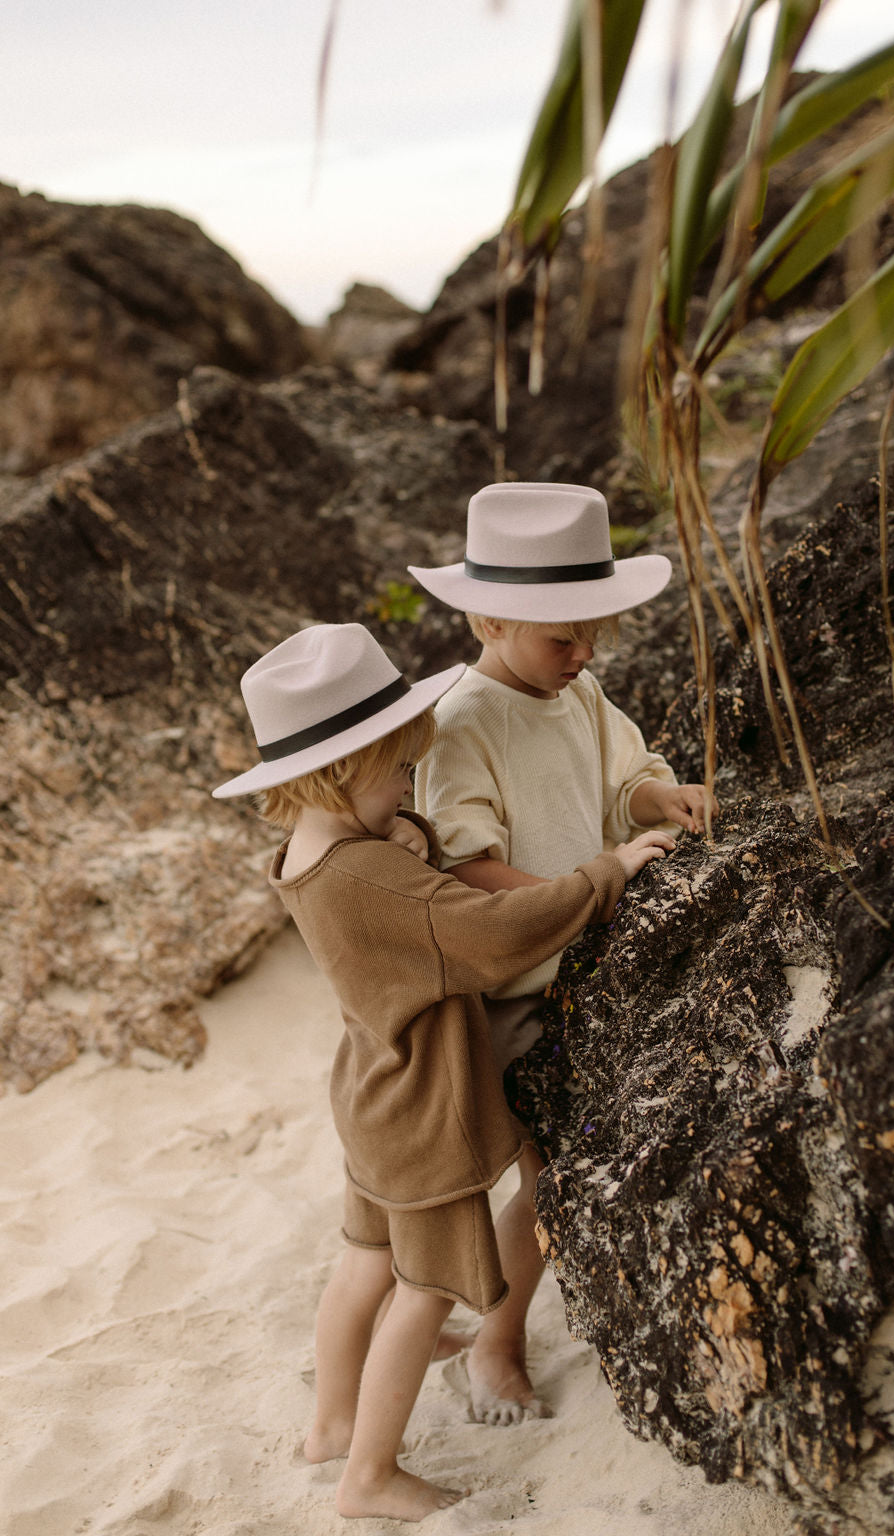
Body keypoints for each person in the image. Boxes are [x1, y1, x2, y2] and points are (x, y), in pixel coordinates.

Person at [211, 621, 674, 1523]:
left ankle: (330, 1427)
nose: (408, 789)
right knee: (422, 1295)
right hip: (426, 1112)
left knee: (362, 1266)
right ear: (346, 771)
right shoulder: (375, 878)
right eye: (399, 775)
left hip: (368, 1093)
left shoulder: (312, 855)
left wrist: (405, 830)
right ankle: (370, 1477)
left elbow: (393, 882)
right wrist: (605, 870)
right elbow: (494, 939)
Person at [408, 481, 719, 1426]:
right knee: (526, 1172)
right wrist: (590, 885)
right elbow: (468, 867)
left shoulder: (576, 689)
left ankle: (459, 1326)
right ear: (490, 616)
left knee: (550, 1174)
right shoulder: (462, 724)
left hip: (584, 964)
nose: (584, 654)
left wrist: (657, 801)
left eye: (597, 633)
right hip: (515, 985)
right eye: (562, 637)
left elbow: (620, 776)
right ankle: (490, 1341)